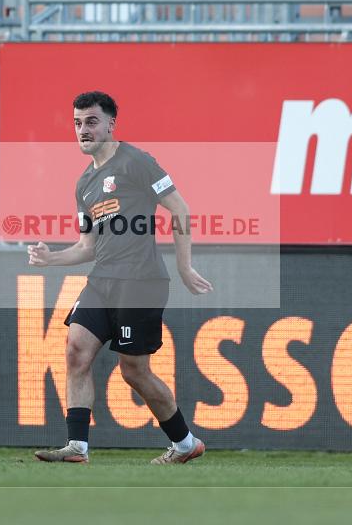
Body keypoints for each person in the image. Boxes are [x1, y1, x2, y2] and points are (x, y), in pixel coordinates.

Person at [28, 91, 214, 465]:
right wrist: (51, 259)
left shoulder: (136, 162)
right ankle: (77, 447)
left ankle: (185, 443)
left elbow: (179, 207)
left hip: (140, 282)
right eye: (78, 123)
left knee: (134, 371)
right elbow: (87, 247)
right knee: (75, 350)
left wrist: (184, 265)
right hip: (102, 280)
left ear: (111, 124)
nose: (83, 129)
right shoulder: (84, 184)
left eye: (92, 121)